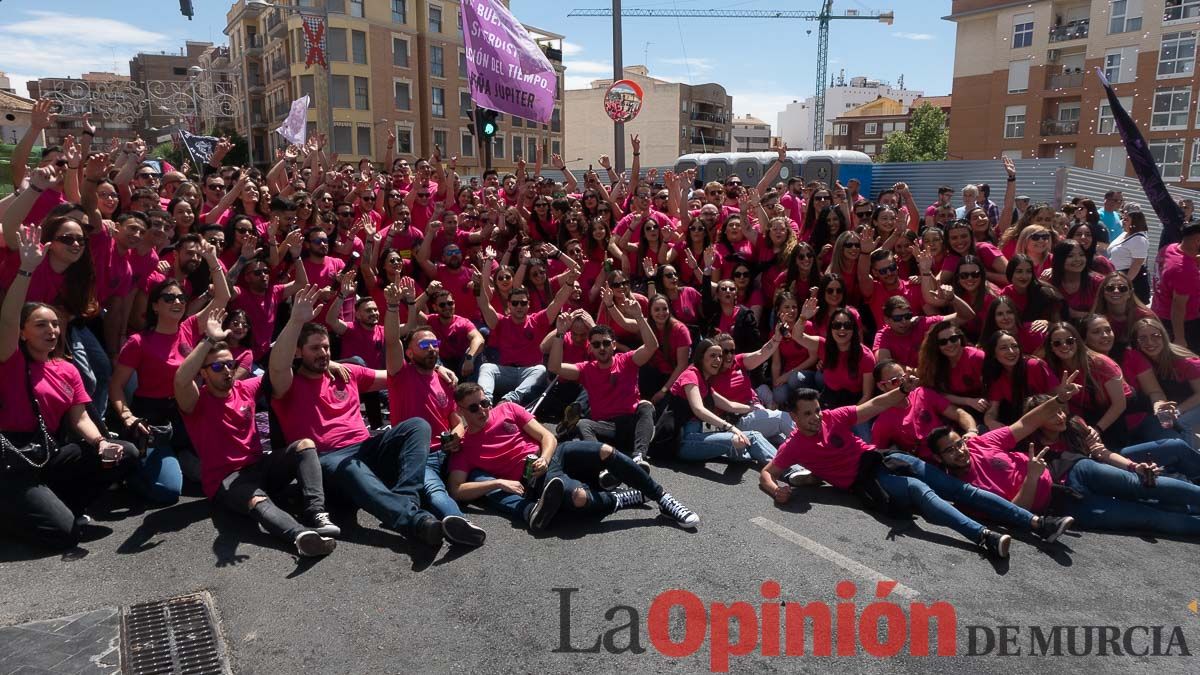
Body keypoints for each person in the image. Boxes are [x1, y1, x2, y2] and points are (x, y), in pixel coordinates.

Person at [759, 382, 1077, 559]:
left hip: (885, 458)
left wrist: (901, 391)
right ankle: (982, 537)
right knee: (920, 492)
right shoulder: (794, 445)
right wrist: (777, 490)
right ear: (794, 417)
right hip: (866, 481)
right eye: (807, 414)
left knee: (959, 490)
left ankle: (1038, 523)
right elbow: (767, 473)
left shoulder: (832, 417)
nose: (816, 418)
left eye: (816, 411)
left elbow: (873, 406)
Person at [268, 285, 445, 550]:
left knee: (416, 426)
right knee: (348, 465)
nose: (323, 353)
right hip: (328, 461)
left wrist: (439, 369)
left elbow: (398, 375)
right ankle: (413, 521)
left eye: (326, 347)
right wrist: (295, 321)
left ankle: (406, 497)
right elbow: (278, 364)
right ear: (298, 352)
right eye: (314, 348)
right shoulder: (287, 385)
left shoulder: (347, 372)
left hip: (365, 449)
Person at [0, 225, 137, 548]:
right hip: (12, 461)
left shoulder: (66, 368)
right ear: (22, 333)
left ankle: (59, 505)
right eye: (40, 325)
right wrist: (26, 270)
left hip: (47, 453)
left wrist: (102, 442)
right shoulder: (10, 361)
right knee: (63, 536)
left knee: (125, 454)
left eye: (54, 324)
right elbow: (6, 319)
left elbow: (79, 418)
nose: (51, 330)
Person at [174, 308, 338, 557]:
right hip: (226, 480)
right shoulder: (196, 402)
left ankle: (315, 512)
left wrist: (301, 328)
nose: (227, 370)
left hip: (260, 467)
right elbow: (181, 380)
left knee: (304, 445)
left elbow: (279, 366)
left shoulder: (246, 388)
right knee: (256, 500)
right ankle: (301, 536)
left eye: (231, 364)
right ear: (204, 372)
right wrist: (208, 339)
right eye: (218, 366)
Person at [938, 393, 1200, 537]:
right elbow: (1014, 512)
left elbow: (1025, 423)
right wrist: (1031, 477)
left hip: (1073, 468)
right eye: (949, 451)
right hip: (1064, 503)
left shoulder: (980, 444)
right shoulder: (963, 493)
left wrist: (1059, 397)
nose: (959, 451)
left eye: (957, 443)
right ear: (940, 460)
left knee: (1143, 486)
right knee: (1147, 518)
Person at [447, 383, 699, 530]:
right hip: (536, 478)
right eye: (474, 407)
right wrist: (498, 483)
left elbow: (548, 437)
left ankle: (664, 499)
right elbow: (457, 489)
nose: (483, 410)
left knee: (605, 450)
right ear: (460, 411)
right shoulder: (464, 446)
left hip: (553, 454)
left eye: (485, 402)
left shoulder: (508, 410)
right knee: (578, 498)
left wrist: (545, 457)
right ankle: (619, 499)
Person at [383, 281, 487, 546]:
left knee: (486, 478)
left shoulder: (443, 379)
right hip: (421, 453)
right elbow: (392, 340)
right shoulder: (399, 375)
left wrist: (455, 434)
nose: (432, 348)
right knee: (434, 488)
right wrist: (393, 307)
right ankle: (458, 522)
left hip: (450, 450)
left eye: (434, 344)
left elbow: (456, 419)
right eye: (424, 345)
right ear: (410, 352)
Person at [548, 301, 658, 478]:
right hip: (605, 429)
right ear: (590, 347)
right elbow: (555, 367)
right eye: (597, 344)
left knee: (646, 406)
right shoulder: (586, 369)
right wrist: (560, 333)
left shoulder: (627, 360)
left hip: (629, 426)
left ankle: (639, 458)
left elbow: (652, 347)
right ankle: (603, 467)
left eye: (606, 343)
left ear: (614, 345)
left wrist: (639, 317)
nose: (602, 348)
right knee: (583, 423)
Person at [477, 264, 574, 405]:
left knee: (541, 369)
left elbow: (557, 302)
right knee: (486, 368)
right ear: (509, 305)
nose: (519, 306)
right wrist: (478, 284)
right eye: (515, 303)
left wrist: (570, 282)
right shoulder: (500, 321)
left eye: (523, 303)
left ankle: (509, 400)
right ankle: (484, 403)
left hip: (530, 373)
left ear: (528, 304)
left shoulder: (537, 320)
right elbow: (484, 305)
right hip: (506, 372)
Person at [1151, 222, 1200, 353]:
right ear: (1198, 240)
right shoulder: (1184, 270)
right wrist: (1180, 338)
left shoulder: (1169, 248)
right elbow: (1178, 307)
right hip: (1182, 324)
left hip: (1159, 312)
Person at [1105, 208, 1150, 304]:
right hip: (1118, 274)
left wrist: (1126, 283)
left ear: (1135, 222)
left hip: (1133, 279)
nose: (1122, 221)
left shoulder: (1139, 239)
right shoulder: (1125, 234)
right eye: (1123, 218)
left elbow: (1137, 264)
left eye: (1126, 220)